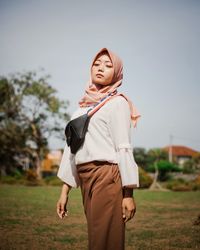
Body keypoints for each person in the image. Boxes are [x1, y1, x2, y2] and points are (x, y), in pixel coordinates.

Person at [56, 48, 140, 250]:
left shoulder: (117, 103)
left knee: (104, 238)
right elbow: (71, 150)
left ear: (117, 73)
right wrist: (64, 191)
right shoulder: (81, 109)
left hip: (106, 175)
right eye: (97, 64)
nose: (100, 68)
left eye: (108, 65)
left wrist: (128, 194)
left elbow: (123, 147)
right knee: (97, 235)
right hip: (86, 178)